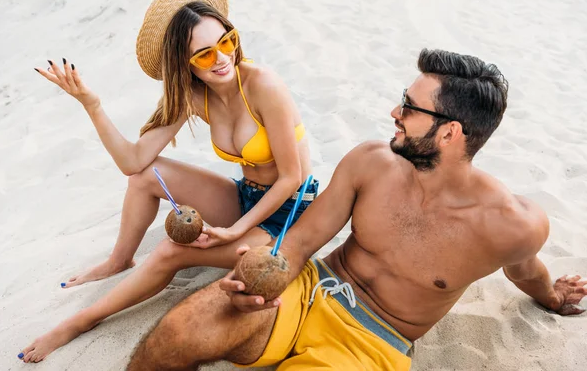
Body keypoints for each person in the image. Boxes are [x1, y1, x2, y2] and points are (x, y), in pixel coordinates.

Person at [126, 49, 586, 371]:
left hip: (371, 345)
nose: (394, 111)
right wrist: (257, 281)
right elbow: (302, 240)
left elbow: (524, 271)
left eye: (409, 107)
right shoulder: (370, 162)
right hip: (306, 292)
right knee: (174, 336)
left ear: (450, 134)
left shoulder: (511, 224)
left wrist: (550, 296)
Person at [19, 0, 318, 364]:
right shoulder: (195, 95)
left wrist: (235, 229)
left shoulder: (264, 85)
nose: (223, 58)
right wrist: (92, 105)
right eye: (205, 54)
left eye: (227, 41)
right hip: (247, 196)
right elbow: (133, 161)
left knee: (169, 252)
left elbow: (292, 177)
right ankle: (119, 260)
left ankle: (82, 320)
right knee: (145, 176)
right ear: (186, 64)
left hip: (288, 213)